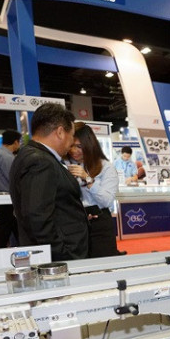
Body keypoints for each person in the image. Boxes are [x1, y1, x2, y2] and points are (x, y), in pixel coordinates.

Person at [9, 103, 89, 261]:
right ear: (60, 132)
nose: (71, 142)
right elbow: (37, 217)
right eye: (72, 135)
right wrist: (62, 254)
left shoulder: (30, 155)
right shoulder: (41, 161)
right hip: (59, 258)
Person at [64, 122, 123, 258]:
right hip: (74, 223)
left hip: (99, 223)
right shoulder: (64, 164)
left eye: (79, 146)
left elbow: (107, 201)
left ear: (89, 145)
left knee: (103, 264)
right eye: (71, 145)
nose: (74, 150)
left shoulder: (105, 167)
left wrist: (88, 179)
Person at [0, 129, 22, 248]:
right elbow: (13, 178)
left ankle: (24, 245)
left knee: (12, 224)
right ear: (16, 142)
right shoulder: (8, 157)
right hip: (7, 197)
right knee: (5, 225)